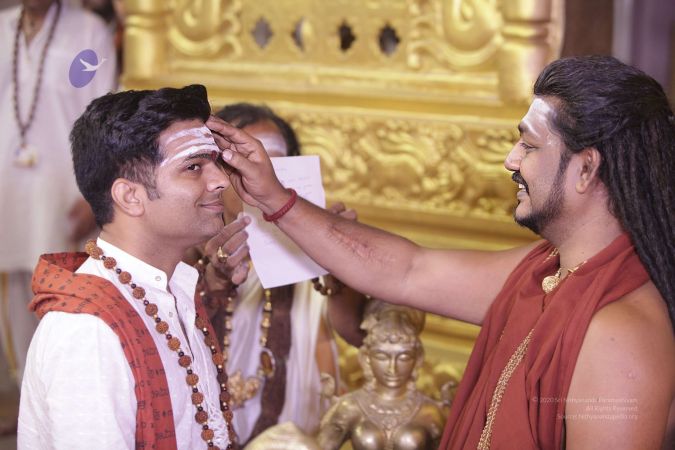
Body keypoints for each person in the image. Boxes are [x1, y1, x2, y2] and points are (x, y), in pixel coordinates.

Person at [206, 55, 675, 449]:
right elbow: (407, 270)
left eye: (529, 146)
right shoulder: (543, 270)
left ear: (586, 169)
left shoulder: (620, 335)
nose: (511, 160)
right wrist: (275, 198)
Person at [18, 85, 242, 449]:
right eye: (193, 167)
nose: (220, 180)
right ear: (130, 196)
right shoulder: (87, 332)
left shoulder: (174, 287)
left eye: (215, 164)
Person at [190, 102, 365, 444]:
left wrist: (342, 258)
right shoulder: (186, 245)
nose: (259, 181)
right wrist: (215, 281)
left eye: (274, 167)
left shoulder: (312, 249)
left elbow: (356, 333)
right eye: (243, 165)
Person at [0, 0, 117, 390]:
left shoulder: (88, 31)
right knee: (12, 297)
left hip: (64, 194)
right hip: (7, 190)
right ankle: (26, 396)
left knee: (59, 295)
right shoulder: (2, 27)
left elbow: (101, 116)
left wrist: (93, 193)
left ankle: (62, 397)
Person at [317, 301, 446, 450]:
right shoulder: (350, 407)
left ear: (418, 359)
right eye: (382, 357)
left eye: (403, 357)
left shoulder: (430, 413)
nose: (392, 368)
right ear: (366, 358)